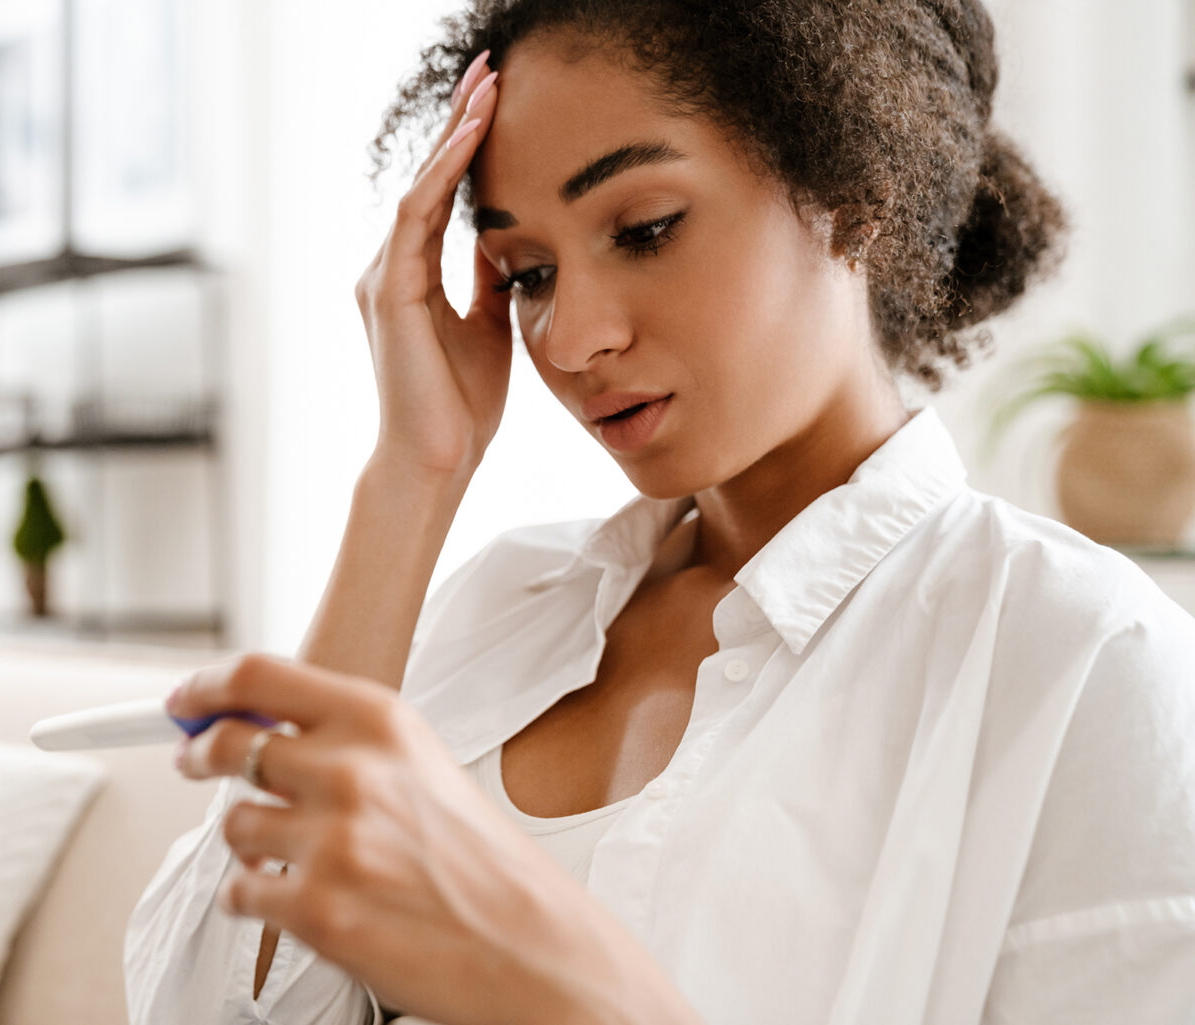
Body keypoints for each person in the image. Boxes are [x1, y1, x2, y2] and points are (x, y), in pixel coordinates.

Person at [123, 2, 1195, 1023]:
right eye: (527, 271)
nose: (570, 337)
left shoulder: (1084, 660)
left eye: (644, 228)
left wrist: (569, 986)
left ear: (853, 194)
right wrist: (413, 473)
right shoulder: (500, 606)